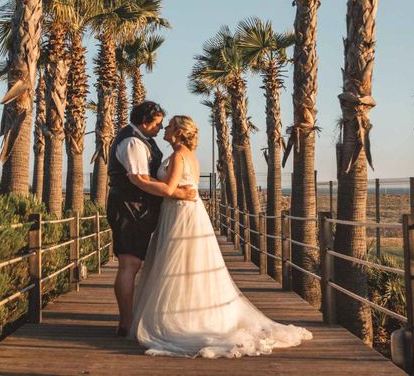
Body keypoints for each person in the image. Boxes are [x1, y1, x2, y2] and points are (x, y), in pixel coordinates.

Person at [128, 115, 312, 358]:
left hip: (180, 214)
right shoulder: (186, 155)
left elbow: (171, 189)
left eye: (170, 125)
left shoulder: (179, 155)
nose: (165, 128)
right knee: (187, 264)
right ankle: (189, 311)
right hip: (184, 212)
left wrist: (137, 180)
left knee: (179, 263)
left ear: (180, 132)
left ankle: (183, 318)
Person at [106, 102, 197, 337]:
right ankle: (125, 323)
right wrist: (178, 193)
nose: (159, 129)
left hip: (139, 209)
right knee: (129, 264)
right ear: (145, 122)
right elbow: (139, 179)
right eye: (157, 124)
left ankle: (134, 318)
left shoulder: (145, 141)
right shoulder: (133, 142)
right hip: (129, 208)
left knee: (134, 264)